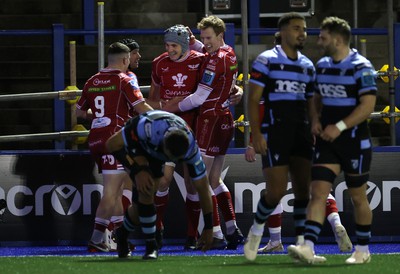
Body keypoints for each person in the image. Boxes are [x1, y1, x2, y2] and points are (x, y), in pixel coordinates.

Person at [287, 16, 377, 265]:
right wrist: (315, 119)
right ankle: (309, 247)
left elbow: (368, 105)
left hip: (354, 141)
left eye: (323, 37)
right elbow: (315, 97)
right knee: (318, 192)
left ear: (337, 40)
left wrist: (339, 126)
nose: (318, 41)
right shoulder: (323, 65)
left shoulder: (361, 66)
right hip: (327, 140)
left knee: (358, 196)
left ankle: (362, 249)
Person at [163, 15, 244, 250]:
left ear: (220, 35)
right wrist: (194, 41)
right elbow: (211, 53)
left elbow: (199, 97)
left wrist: (171, 107)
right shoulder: (228, 52)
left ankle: (216, 233)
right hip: (225, 119)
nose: (204, 42)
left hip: (210, 120)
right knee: (214, 178)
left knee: (202, 180)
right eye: (202, 37)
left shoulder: (214, 61)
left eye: (209, 37)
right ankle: (232, 228)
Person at [243, 12, 317, 262]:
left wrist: (314, 126)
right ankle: (255, 231)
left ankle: (302, 246)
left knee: (303, 192)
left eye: (304, 29)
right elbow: (253, 100)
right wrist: (256, 134)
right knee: (275, 193)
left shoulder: (307, 64)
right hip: (275, 132)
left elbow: (310, 101)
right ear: (283, 31)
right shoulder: (266, 60)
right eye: (297, 28)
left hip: (302, 133)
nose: (302, 33)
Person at [106, 110, 214, 259]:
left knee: (140, 209)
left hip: (157, 149)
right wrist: (137, 170)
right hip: (138, 145)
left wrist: (209, 228)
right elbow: (111, 144)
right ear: (164, 145)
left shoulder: (191, 149)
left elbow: (203, 189)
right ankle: (152, 246)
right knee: (147, 191)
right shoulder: (144, 128)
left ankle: (122, 233)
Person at [76, 42, 153, 252]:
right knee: (111, 191)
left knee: (118, 190)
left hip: (96, 139)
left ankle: (120, 238)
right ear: (125, 60)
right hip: (115, 140)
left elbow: (79, 113)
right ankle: (96, 239)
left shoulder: (91, 81)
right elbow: (141, 107)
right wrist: (161, 119)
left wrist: (102, 116)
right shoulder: (124, 80)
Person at [146, 24, 206, 250]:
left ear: (183, 45)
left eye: (173, 46)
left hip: (194, 128)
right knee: (163, 179)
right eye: (167, 45)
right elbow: (153, 99)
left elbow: (216, 87)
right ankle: (157, 229)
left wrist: (236, 91)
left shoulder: (200, 61)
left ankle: (191, 235)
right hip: (167, 128)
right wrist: (166, 106)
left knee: (192, 184)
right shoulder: (159, 63)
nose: (169, 50)